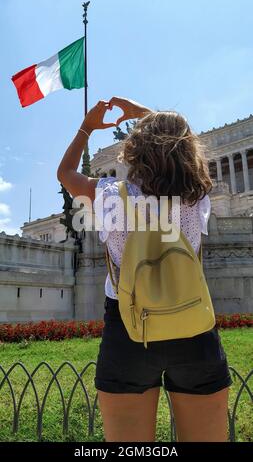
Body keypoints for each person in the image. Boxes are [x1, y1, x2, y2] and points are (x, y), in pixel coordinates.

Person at [57, 96, 232, 442]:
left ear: (134, 151)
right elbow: (179, 140)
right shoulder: (197, 197)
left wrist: (86, 128)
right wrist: (144, 115)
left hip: (128, 328)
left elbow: (65, 173)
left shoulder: (109, 196)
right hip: (193, 326)